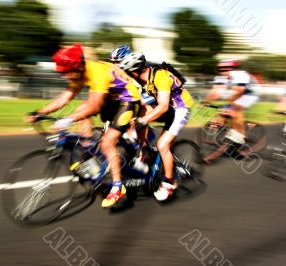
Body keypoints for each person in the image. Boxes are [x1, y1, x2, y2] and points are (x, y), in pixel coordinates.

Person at [27, 44, 142, 208]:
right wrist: (40, 113)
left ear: (79, 66)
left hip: (128, 101)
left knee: (107, 142)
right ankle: (89, 151)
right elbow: (64, 98)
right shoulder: (79, 73)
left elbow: (95, 106)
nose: (65, 77)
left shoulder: (97, 73)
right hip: (111, 100)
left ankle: (118, 187)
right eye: (62, 73)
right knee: (81, 109)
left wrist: (68, 119)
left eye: (67, 72)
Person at [119, 52, 194, 201]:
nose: (127, 75)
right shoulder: (141, 79)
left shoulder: (160, 77)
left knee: (162, 145)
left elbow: (163, 107)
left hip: (180, 108)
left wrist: (143, 121)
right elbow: (138, 102)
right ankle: (145, 151)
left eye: (128, 72)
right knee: (139, 113)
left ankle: (169, 182)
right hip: (166, 106)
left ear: (135, 71)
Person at [205, 60, 259, 146]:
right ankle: (231, 133)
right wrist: (206, 101)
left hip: (250, 93)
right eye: (221, 69)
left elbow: (240, 91)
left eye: (227, 69)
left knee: (235, 110)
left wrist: (231, 105)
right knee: (224, 110)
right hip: (238, 92)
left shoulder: (240, 75)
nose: (224, 72)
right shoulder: (220, 78)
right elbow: (215, 92)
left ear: (234, 69)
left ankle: (240, 139)